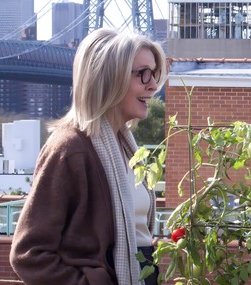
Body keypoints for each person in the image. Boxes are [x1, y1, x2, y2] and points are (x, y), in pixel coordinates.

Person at [10, 28, 168, 285]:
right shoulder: (70, 149)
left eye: (155, 73)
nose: (153, 85)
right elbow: (29, 254)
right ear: (108, 78)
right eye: (142, 74)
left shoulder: (126, 147)